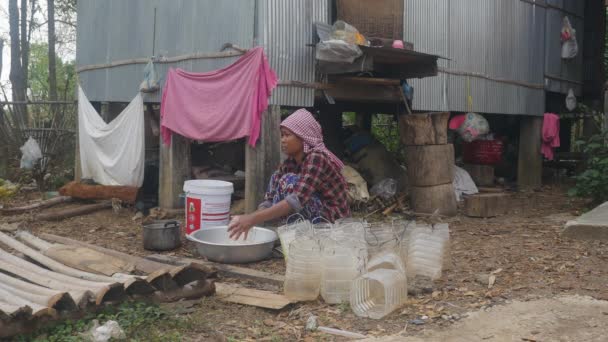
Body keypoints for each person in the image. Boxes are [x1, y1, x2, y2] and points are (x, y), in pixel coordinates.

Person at [228, 109, 350, 239]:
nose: (283, 140)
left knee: (289, 180)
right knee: (277, 176)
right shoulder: (290, 163)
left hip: (333, 221)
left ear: (303, 137)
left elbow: (296, 200)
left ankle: (294, 237)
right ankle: (292, 234)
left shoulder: (317, 158)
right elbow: (269, 201)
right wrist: (251, 222)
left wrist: (251, 219)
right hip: (314, 216)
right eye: (282, 135)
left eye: (287, 135)